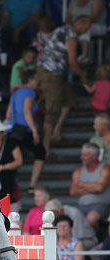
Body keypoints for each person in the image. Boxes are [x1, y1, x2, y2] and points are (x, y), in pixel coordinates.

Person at [38, 15, 92, 156]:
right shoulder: (71, 34)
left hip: (55, 73)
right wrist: (84, 79)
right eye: (86, 27)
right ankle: (45, 148)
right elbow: (73, 61)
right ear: (79, 23)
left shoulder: (61, 30)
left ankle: (56, 132)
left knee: (69, 99)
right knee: (52, 111)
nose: (86, 31)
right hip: (51, 74)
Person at [6, 70, 45, 189]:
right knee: (41, 153)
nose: (38, 82)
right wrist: (34, 130)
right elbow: (27, 111)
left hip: (12, 130)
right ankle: (32, 185)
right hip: (24, 130)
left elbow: (8, 115)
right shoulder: (29, 92)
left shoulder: (15, 92)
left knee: (14, 157)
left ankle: (13, 184)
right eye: (36, 79)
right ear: (30, 80)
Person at [69, 143, 110, 234]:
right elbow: (73, 191)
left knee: (91, 219)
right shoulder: (78, 171)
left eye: (85, 155)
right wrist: (93, 186)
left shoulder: (105, 169)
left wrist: (81, 184)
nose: (81, 157)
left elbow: (100, 188)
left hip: (101, 205)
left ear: (94, 157)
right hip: (82, 205)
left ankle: (93, 239)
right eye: (82, 154)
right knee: (70, 218)